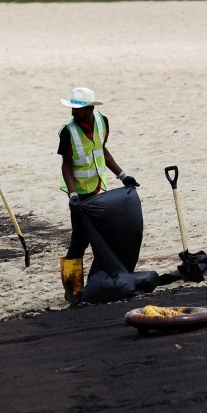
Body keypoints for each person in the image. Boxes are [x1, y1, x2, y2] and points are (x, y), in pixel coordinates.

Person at [57, 87, 139, 305]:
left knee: (104, 238)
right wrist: (73, 193)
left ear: (90, 109)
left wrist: (123, 175)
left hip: (99, 191)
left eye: (78, 108)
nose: (73, 111)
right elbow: (66, 165)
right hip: (79, 197)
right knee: (79, 241)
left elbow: (102, 151)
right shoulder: (68, 131)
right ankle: (72, 291)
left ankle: (101, 283)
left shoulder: (102, 122)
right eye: (72, 107)